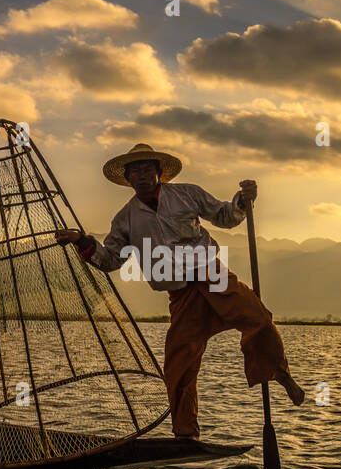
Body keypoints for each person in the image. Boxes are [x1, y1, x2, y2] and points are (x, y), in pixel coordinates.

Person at [55, 142, 304, 440]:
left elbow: (224, 216)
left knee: (258, 319)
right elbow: (110, 259)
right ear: (129, 178)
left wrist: (242, 201)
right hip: (179, 292)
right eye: (136, 171)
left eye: (148, 169)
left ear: (160, 174)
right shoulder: (126, 218)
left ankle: (279, 372)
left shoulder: (187, 193)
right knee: (179, 363)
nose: (143, 176)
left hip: (211, 274)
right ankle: (186, 433)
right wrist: (81, 240)